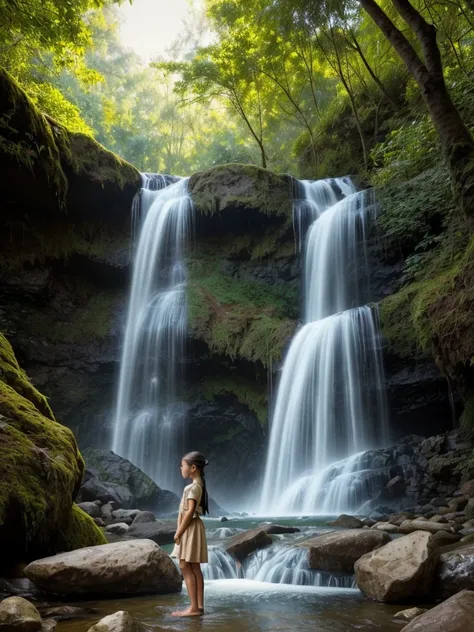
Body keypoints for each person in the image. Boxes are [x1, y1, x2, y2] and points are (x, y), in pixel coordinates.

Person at [171, 451, 209, 617]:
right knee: (195, 567)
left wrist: (178, 532)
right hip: (195, 527)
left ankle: (193, 608)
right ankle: (199, 606)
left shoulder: (192, 487)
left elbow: (190, 510)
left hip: (190, 528)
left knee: (185, 566)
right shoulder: (200, 485)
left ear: (193, 468)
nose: (181, 468)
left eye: (183, 465)